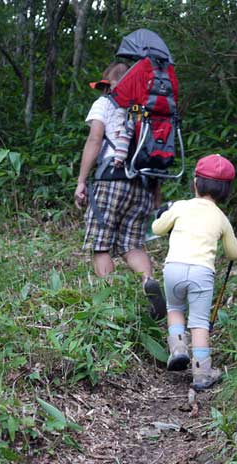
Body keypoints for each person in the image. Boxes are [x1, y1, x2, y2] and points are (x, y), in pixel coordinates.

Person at [74, 62, 166, 320]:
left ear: (110, 84)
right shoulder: (142, 109)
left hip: (110, 180)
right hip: (143, 185)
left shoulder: (105, 104)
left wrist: (82, 180)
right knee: (132, 245)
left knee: (100, 245)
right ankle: (148, 280)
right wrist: (156, 192)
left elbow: (94, 139)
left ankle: (109, 306)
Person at [151, 154, 237, 390]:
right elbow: (234, 254)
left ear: (195, 183)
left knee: (175, 309)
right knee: (200, 323)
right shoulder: (221, 218)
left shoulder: (181, 207)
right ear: (226, 191)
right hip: (202, 274)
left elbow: (157, 228)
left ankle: (178, 348)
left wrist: (166, 212)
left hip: (173, 269)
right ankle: (202, 373)